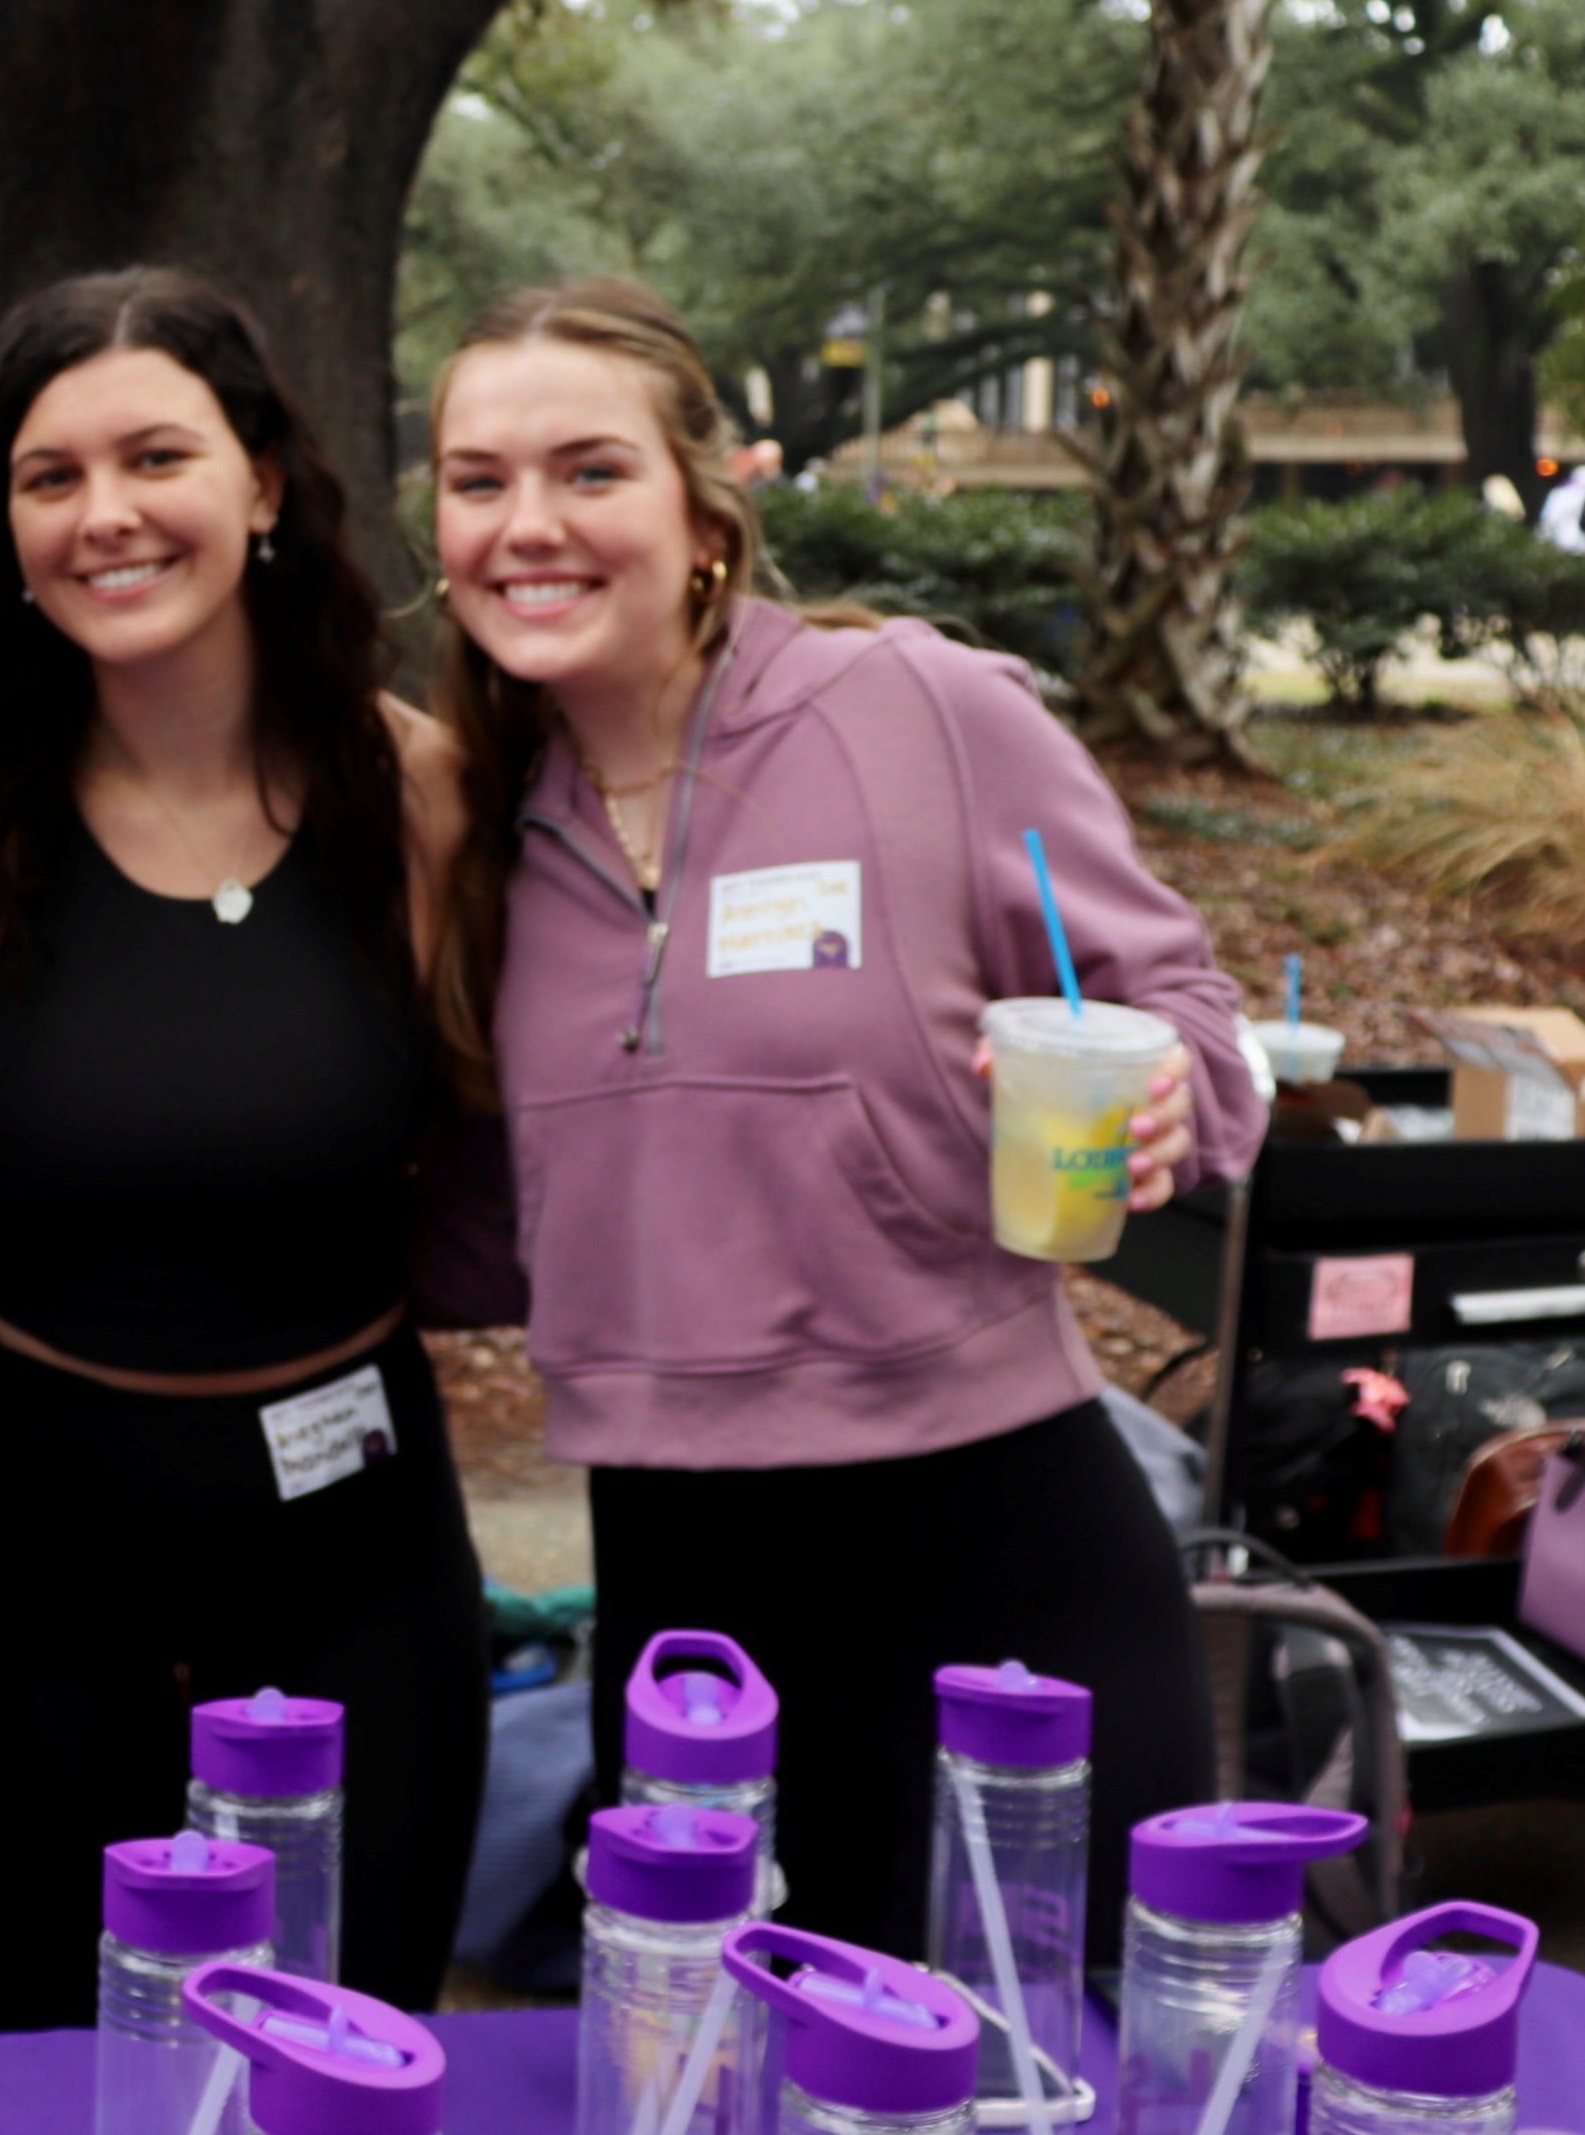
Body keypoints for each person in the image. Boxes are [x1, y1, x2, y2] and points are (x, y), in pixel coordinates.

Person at [420, 276, 1261, 1954]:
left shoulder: (924, 713)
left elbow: (1191, 1019)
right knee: (723, 2042)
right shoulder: (470, 818)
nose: (530, 525)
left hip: (994, 1518)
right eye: (477, 479)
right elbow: (483, 1216)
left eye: (590, 472)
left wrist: (1165, 1086)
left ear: (703, 502)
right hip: (676, 1556)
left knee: (1078, 2041)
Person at [0, 267, 485, 2023]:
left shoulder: (425, 799)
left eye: (154, 453)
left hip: (357, 1562)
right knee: (67, 2067)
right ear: (4, 529)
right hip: (25, 1561)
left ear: (259, 480)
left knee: (348, 2058)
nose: (105, 515)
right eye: (49, 475)